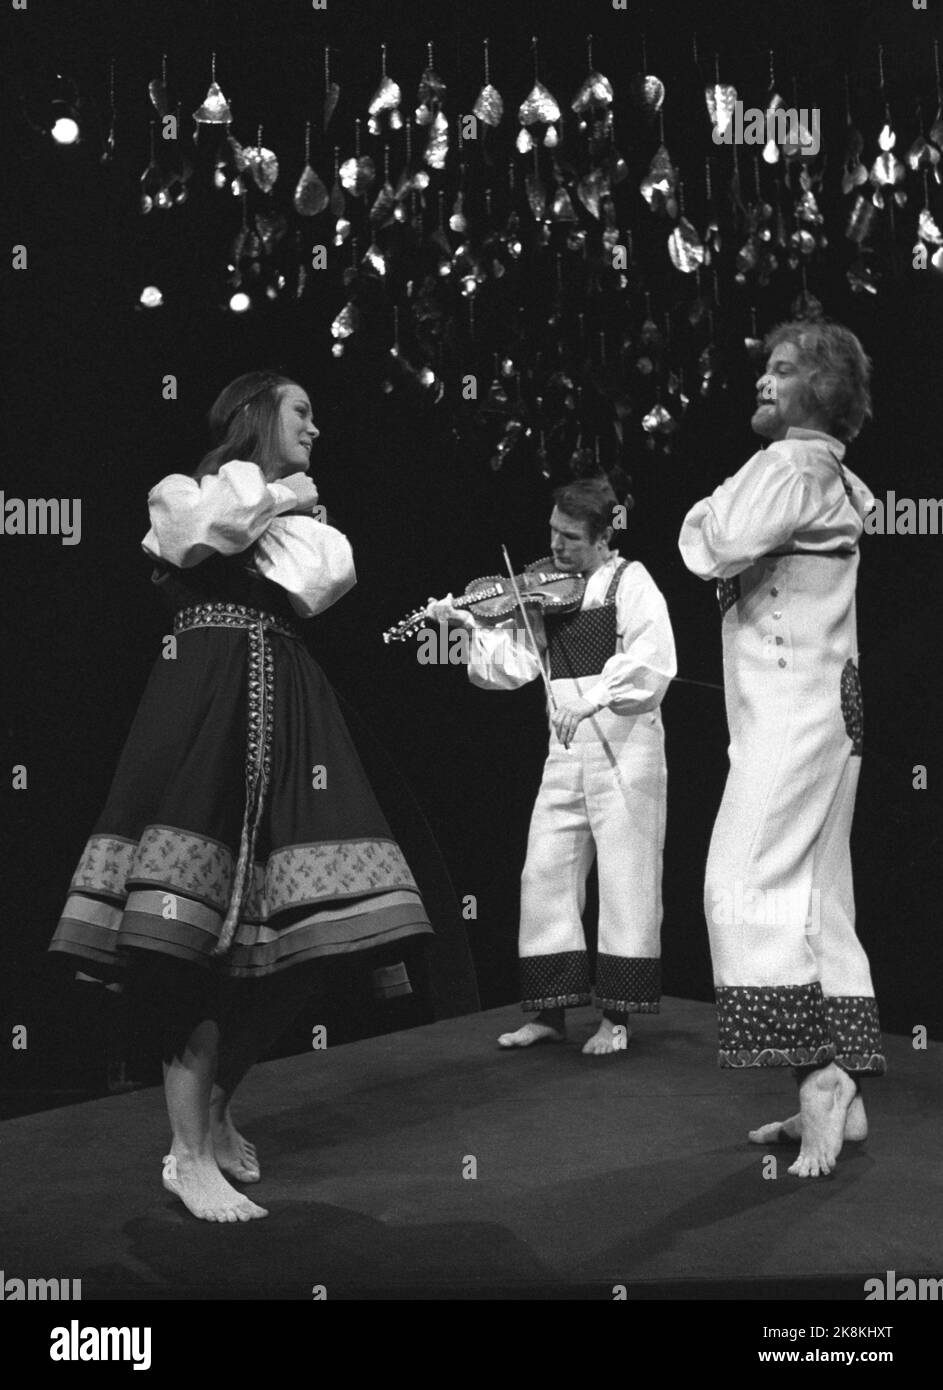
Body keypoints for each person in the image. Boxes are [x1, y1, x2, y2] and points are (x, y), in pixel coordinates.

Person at [49, 370, 433, 1221]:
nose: (316, 430)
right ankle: (184, 1154)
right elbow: (199, 531)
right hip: (200, 709)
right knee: (183, 942)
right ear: (258, 414)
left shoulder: (302, 517)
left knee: (313, 945)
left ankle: (216, 1111)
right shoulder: (182, 489)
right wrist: (276, 493)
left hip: (292, 717)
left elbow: (323, 580)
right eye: (301, 412)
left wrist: (285, 503)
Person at [678, 319, 884, 1178]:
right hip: (825, 709)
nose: (764, 379)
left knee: (742, 881)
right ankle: (847, 1093)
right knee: (812, 898)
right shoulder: (822, 471)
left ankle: (819, 1077)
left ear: (821, 393)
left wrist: (705, 506)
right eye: (764, 365)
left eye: (784, 369)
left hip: (794, 712)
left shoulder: (791, 465)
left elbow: (707, 541)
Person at [427, 478, 676, 1054]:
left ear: (602, 535)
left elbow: (654, 660)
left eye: (569, 537)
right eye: (552, 533)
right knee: (545, 871)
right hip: (563, 751)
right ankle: (550, 1012)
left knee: (627, 876)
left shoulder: (629, 581)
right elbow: (512, 667)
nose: (556, 548)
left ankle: (618, 1017)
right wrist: (470, 628)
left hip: (624, 748)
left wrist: (595, 698)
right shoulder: (546, 594)